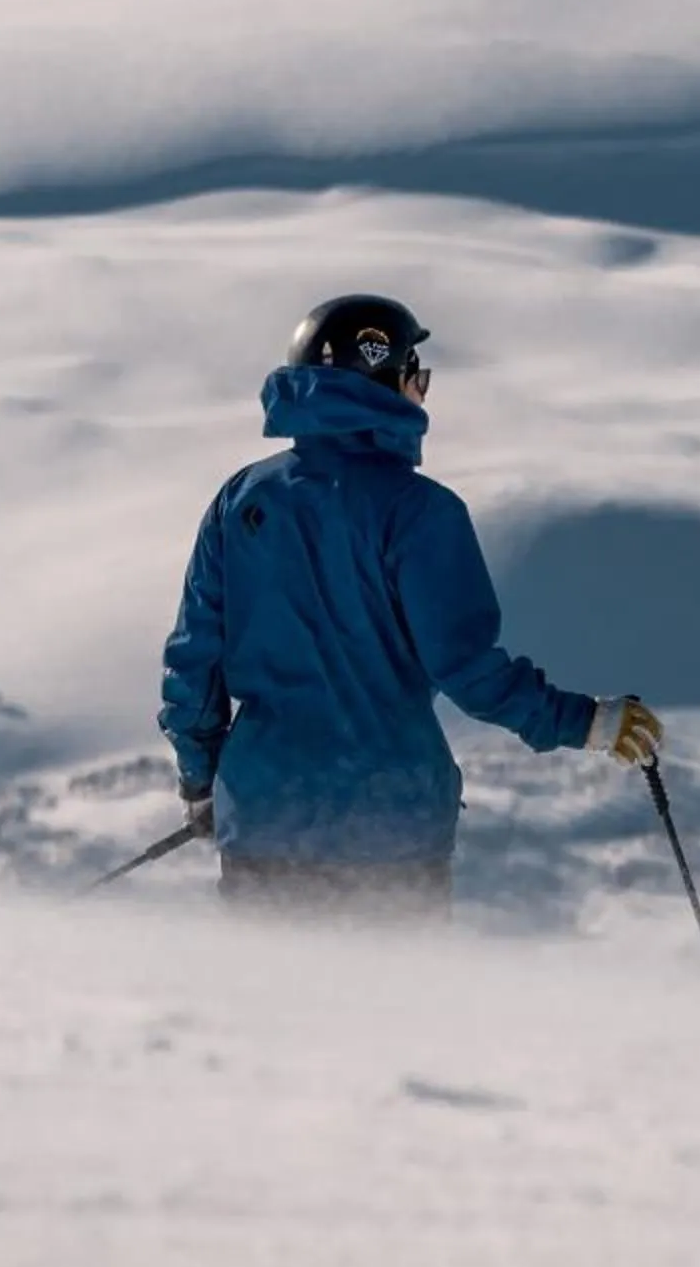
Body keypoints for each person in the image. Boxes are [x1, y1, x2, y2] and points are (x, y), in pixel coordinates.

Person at [158, 294, 664, 918]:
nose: (423, 391)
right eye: (417, 374)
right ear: (383, 378)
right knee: (388, 1015)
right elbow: (469, 670)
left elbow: (193, 665)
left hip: (264, 825)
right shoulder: (422, 512)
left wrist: (201, 781)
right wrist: (585, 722)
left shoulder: (241, 501)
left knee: (271, 1012)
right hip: (389, 840)